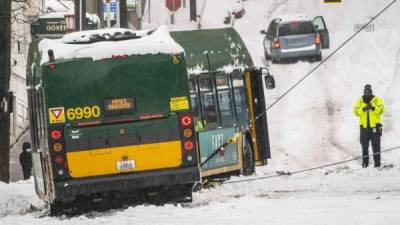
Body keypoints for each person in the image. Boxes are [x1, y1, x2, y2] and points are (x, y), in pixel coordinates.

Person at [353, 84, 385, 168]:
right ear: (364, 91)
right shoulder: (359, 101)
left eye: (369, 91)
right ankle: (365, 164)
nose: (367, 92)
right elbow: (355, 112)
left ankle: (377, 164)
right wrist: (363, 109)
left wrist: (373, 108)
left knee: (376, 146)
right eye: (366, 91)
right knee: (364, 146)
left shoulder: (377, 100)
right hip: (364, 128)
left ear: (371, 91)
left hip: (375, 127)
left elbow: (381, 110)